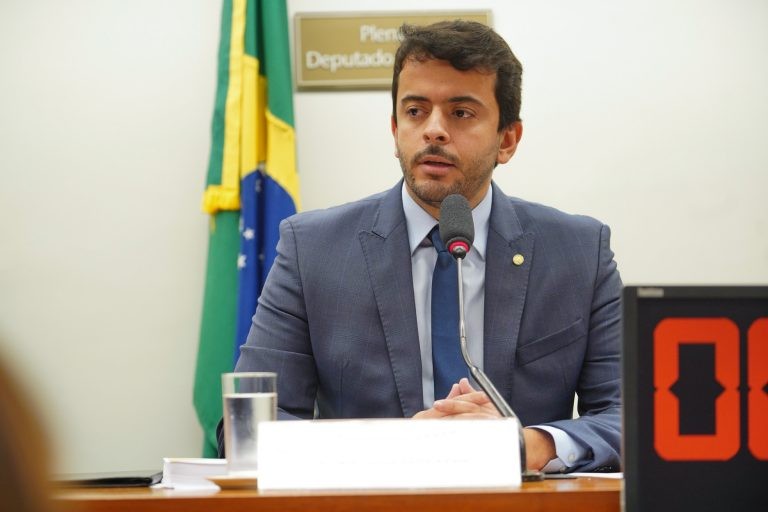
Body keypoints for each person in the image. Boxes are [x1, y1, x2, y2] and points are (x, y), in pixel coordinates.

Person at [225, 20, 621, 473]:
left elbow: (631, 414)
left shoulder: (578, 252)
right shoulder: (312, 249)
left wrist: (521, 446)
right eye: (415, 111)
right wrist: (399, 447)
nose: (434, 130)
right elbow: (249, 426)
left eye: (461, 113)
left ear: (507, 139)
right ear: (395, 128)